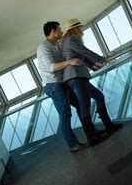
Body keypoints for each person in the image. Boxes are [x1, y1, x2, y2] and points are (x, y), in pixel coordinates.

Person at [37, 21, 107, 153]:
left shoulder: (57, 45)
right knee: (65, 114)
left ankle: (93, 132)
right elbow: (51, 67)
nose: (62, 32)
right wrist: (70, 61)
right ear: (53, 31)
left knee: (80, 106)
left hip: (63, 82)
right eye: (59, 29)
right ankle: (73, 145)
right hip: (53, 85)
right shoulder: (43, 47)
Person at [61, 18, 123, 146]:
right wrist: (104, 59)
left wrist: (97, 66)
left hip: (79, 76)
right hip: (76, 77)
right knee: (85, 106)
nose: (81, 29)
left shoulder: (70, 41)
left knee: (99, 97)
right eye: (79, 27)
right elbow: (86, 53)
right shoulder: (71, 40)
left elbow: (83, 58)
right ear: (74, 29)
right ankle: (91, 138)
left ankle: (108, 125)